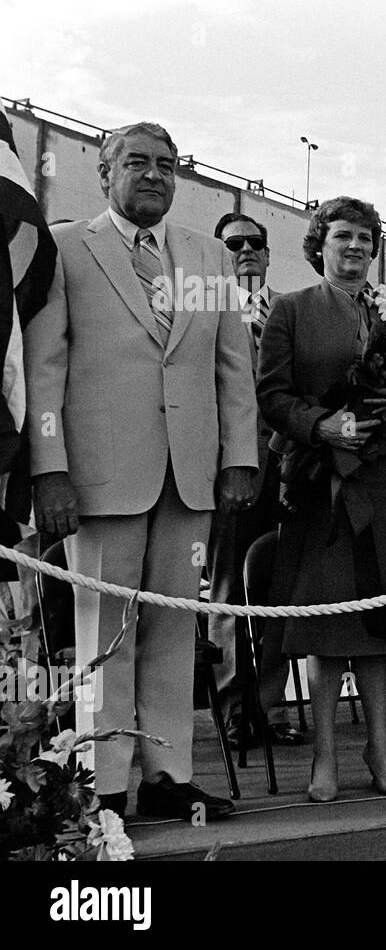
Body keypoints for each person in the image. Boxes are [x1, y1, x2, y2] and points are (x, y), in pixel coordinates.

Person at [25, 122, 258, 819]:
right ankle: (103, 784)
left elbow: (233, 368)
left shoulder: (207, 257)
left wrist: (240, 457)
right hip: (100, 480)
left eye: (166, 164)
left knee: (172, 629)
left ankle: (167, 775)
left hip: (190, 478)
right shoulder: (65, 248)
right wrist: (50, 470)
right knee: (106, 632)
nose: (153, 175)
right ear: (104, 174)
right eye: (137, 163)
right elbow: (45, 369)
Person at [257, 196, 386, 801]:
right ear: (319, 245)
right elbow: (271, 396)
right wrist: (320, 425)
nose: (355, 247)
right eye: (342, 237)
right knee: (330, 618)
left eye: (365, 237)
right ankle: (325, 756)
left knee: (382, 615)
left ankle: (380, 750)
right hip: (323, 478)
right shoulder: (291, 309)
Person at [207, 212, 305, 749]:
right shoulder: (204, 309)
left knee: (280, 586)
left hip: (290, 467)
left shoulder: (290, 311)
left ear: (268, 255)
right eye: (233, 244)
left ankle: (270, 706)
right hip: (234, 467)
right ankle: (235, 711)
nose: (245, 251)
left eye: (255, 243)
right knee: (229, 588)